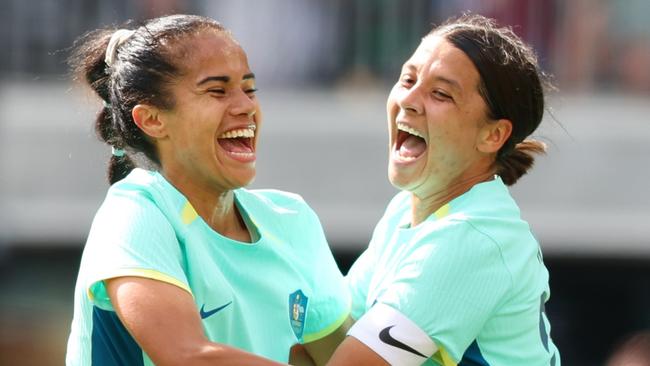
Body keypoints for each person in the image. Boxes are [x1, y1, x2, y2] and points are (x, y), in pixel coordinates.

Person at [65, 14, 350, 366]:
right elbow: (187, 357)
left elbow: (347, 360)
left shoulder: (292, 220)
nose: (246, 106)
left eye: (249, 89)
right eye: (217, 90)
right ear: (152, 119)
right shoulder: (135, 212)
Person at [329, 14, 560, 366]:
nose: (409, 100)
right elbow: (329, 336)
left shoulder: (470, 236)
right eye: (408, 79)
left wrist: (211, 352)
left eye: (440, 94)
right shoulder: (404, 210)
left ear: (493, 135)